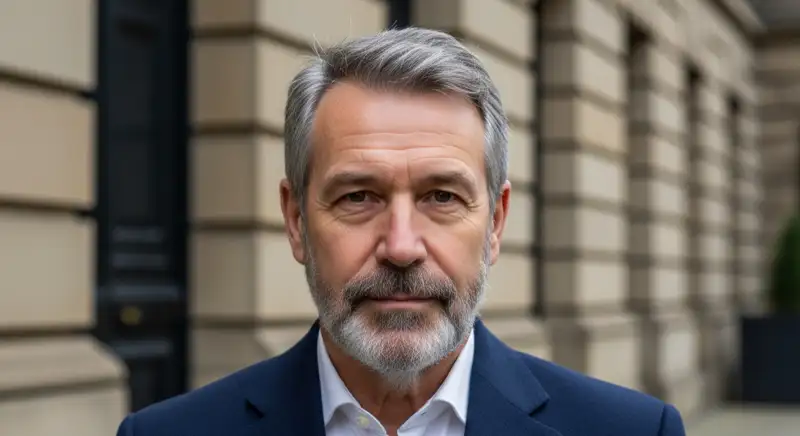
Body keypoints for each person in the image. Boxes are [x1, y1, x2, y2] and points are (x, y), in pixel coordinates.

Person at [116, 27, 686, 436]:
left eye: (442, 197)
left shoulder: (633, 430)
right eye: (358, 197)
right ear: (296, 221)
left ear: (495, 224)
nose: (402, 247)